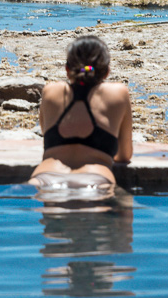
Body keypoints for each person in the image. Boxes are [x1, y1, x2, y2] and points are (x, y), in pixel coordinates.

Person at [30, 35, 132, 192]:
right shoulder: (118, 93)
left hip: (45, 179)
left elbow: (47, 138)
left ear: (67, 69)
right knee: (126, 204)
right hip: (95, 182)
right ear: (106, 72)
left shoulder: (51, 91)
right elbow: (124, 155)